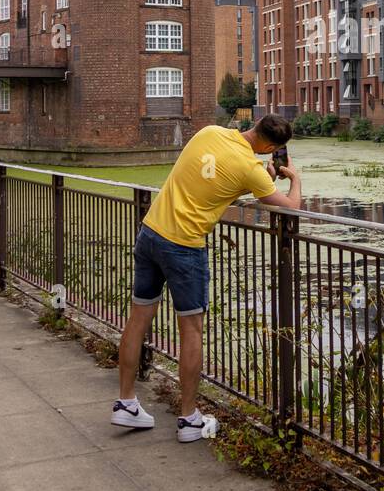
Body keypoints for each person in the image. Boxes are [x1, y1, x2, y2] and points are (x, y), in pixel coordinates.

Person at [111, 114, 301, 441]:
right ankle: (189, 419)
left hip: (151, 232)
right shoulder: (252, 170)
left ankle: (125, 403)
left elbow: (210, 177)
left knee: (138, 318)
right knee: (191, 330)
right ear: (271, 147)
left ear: (254, 126)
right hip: (184, 247)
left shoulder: (210, 132)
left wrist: (257, 175)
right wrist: (293, 178)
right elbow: (289, 208)